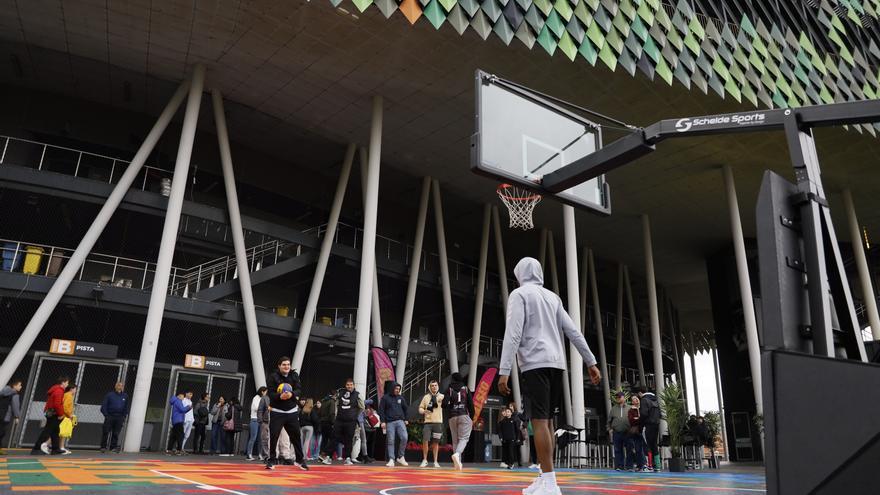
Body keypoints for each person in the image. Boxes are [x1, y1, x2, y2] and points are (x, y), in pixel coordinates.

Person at [498, 257, 601, 495]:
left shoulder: (519, 294)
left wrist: (504, 371)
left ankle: (551, 484)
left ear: (520, 273)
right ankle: (544, 478)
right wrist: (591, 361)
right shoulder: (553, 297)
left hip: (534, 364)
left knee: (539, 423)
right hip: (557, 365)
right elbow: (573, 331)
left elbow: (513, 333)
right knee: (549, 422)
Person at [265, 356, 308, 470]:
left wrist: (291, 394)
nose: (286, 366)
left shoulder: (294, 375)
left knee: (296, 436)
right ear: (279, 366)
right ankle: (272, 460)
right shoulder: (273, 377)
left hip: (291, 411)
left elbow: (299, 389)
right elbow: (271, 393)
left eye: (288, 364)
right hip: (277, 411)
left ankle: (299, 460)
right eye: (284, 364)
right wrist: (280, 396)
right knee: (274, 436)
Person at [324, 379, 362, 465]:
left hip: (351, 421)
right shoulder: (340, 393)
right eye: (348, 384)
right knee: (334, 438)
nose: (349, 386)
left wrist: (354, 415)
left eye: (351, 384)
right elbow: (336, 404)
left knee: (349, 439)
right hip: (339, 420)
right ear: (345, 385)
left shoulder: (357, 395)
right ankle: (328, 457)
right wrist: (336, 415)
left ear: (354, 385)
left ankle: (348, 458)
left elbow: (362, 407)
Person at [31, 375, 69, 455]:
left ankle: (55, 448)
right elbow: (57, 404)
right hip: (54, 414)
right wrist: (61, 414)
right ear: (63, 382)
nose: (67, 384)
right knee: (48, 430)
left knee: (55, 431)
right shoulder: (59, 391)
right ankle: (37, 448)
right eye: (67, 383)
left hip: (51, 412)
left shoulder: (55, 389)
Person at [443, 372, 473, 470]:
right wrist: (472, 417)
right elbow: (470, 404)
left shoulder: (449, 389)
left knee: (455, 441)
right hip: (464, 414)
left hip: (452, 416)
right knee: (464, 438)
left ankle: (458, 463)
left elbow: (444, 404)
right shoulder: (466, 388)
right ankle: (457, 454)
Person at [378, 382, 409, 467]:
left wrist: (406, 419)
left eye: (399, 389)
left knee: (405, 437)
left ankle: (401, 457)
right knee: (391, 440)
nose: (397, 390)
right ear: (392, 388)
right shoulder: (385, 398)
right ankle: (391, 459)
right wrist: (382, 421)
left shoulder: (400, 398)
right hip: (389, 422)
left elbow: (406, 409)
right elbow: (381, 410)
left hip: (400, 421)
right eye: (396, 389)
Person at [418, 380, 444, 468]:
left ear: (438, 386)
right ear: (430, 387)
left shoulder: (442, 396)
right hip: (428, 423)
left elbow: (447, 404)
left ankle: (435, 461)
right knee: (425, 440)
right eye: (432, 385)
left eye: (435, 385)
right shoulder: (426, 397)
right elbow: (420, 408)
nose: (434, 387)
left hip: (438, 423)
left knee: (436, 442)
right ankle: (425, 460)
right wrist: (423, 411)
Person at [637, 386, 661, 472]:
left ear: (640, 393)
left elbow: (644, 414)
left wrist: (640, 424)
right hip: (656, 425)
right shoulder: (655, 399)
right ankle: (657, 466)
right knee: (654, 444)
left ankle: (648, 465)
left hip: (647, 425)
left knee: (647, 445)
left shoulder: (644, 400)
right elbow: (660, 414)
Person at [99, 382, 128, 453]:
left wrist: (123, 416)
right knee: (106, 431)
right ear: (115, 386)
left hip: (119, 417)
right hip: (110, 416)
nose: (120, 387)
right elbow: (104, 406)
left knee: (116, 433)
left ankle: (113, 447)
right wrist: (106, 415)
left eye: (121, 386)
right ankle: (103, 447)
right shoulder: (110, 395)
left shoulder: (125, 396)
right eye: (118, 385)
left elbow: (126, 407)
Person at [607, 392, 630, 471]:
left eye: (620, 397)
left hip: (627, 432)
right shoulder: (613, 409)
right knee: (617, 450)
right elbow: (609, 420)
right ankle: (619, 466)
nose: (618, 398)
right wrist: (609, 429)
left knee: (629, 449)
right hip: (616, 432)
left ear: (624, 397)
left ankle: (629, 466)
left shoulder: (629, 408)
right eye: (617, 397)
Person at [0, 378, 23, 455]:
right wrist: (17, 417)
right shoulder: (14, 394)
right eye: (19, 385)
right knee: (2, 432)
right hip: (5, 416)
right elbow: (15, 407)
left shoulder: (2, 391)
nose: (21, 387)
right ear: (14, 386)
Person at [246, 387, 267, 460]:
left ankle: (260, 454)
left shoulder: (263, 398)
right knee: (253, 438)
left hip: (261, 420)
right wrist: (264, 407)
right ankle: (249, 454)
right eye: (265, 392)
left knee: (260, 438)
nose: (266, 393)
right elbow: (255, 407)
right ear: (262, 392)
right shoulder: (256, 398)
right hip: (254, 419)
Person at [627, 395, 646, 472]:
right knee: (638, 449)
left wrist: (637, 418)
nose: (636, 400)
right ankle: (640, 466)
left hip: (644, 430)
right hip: (636, 432)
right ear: (632, 402)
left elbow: (645, 418)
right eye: (634, 399)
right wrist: (639, 419)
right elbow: (631, 420)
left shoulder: (643, 408)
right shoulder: (631, 410)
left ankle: (647, 465)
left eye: (637, 398)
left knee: (646, 448)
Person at [58, 383, 77, 455]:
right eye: (75, 389)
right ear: (71, 389)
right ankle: (61, 447)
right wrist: (70, 415)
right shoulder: (69, 396)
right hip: (65, 417)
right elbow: (65, 407)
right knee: (63, 432)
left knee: (62, 433)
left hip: (65, 416)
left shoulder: (66, 395)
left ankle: (61, 447)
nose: (75, 391)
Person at [317, 391, 336, 462]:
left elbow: (319, 412)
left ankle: (321, 455)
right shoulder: (332, 401)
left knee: (324, 439)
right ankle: (326, 454)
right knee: (332, 439)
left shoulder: (324, 401)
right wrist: (333, 422)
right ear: (334, 395)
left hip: (322, 422)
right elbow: (332, 413)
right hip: (329, 422)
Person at [257, 389, 271, 460]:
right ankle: (267, 455)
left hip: (275, 422)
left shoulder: (279, 398)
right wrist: (260, 421)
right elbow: (260, 410)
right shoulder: (264, 398)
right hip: (265, 421)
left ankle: (272, 455)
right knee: (264, 438)